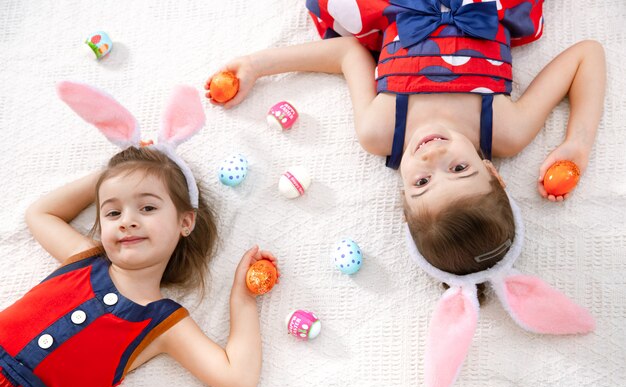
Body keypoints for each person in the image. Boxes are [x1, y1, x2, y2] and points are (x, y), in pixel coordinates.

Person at [205, 0, 605, 276]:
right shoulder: (505, 129)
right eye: (460, 168)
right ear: (493, 173)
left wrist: (259, 64)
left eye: (422, 182)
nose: (433, 157)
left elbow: (347, 53)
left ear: (403, 200)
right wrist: (577, 143)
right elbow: (587, 54)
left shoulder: (380, 129)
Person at [0, 82, 277, 387]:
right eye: (113, 212)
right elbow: (40, 214)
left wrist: (242, 297)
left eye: (147, 208)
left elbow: (239, 377)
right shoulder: (85, 258)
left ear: (185, 222)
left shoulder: (162, 322)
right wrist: (114, 172)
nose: (127, 221)